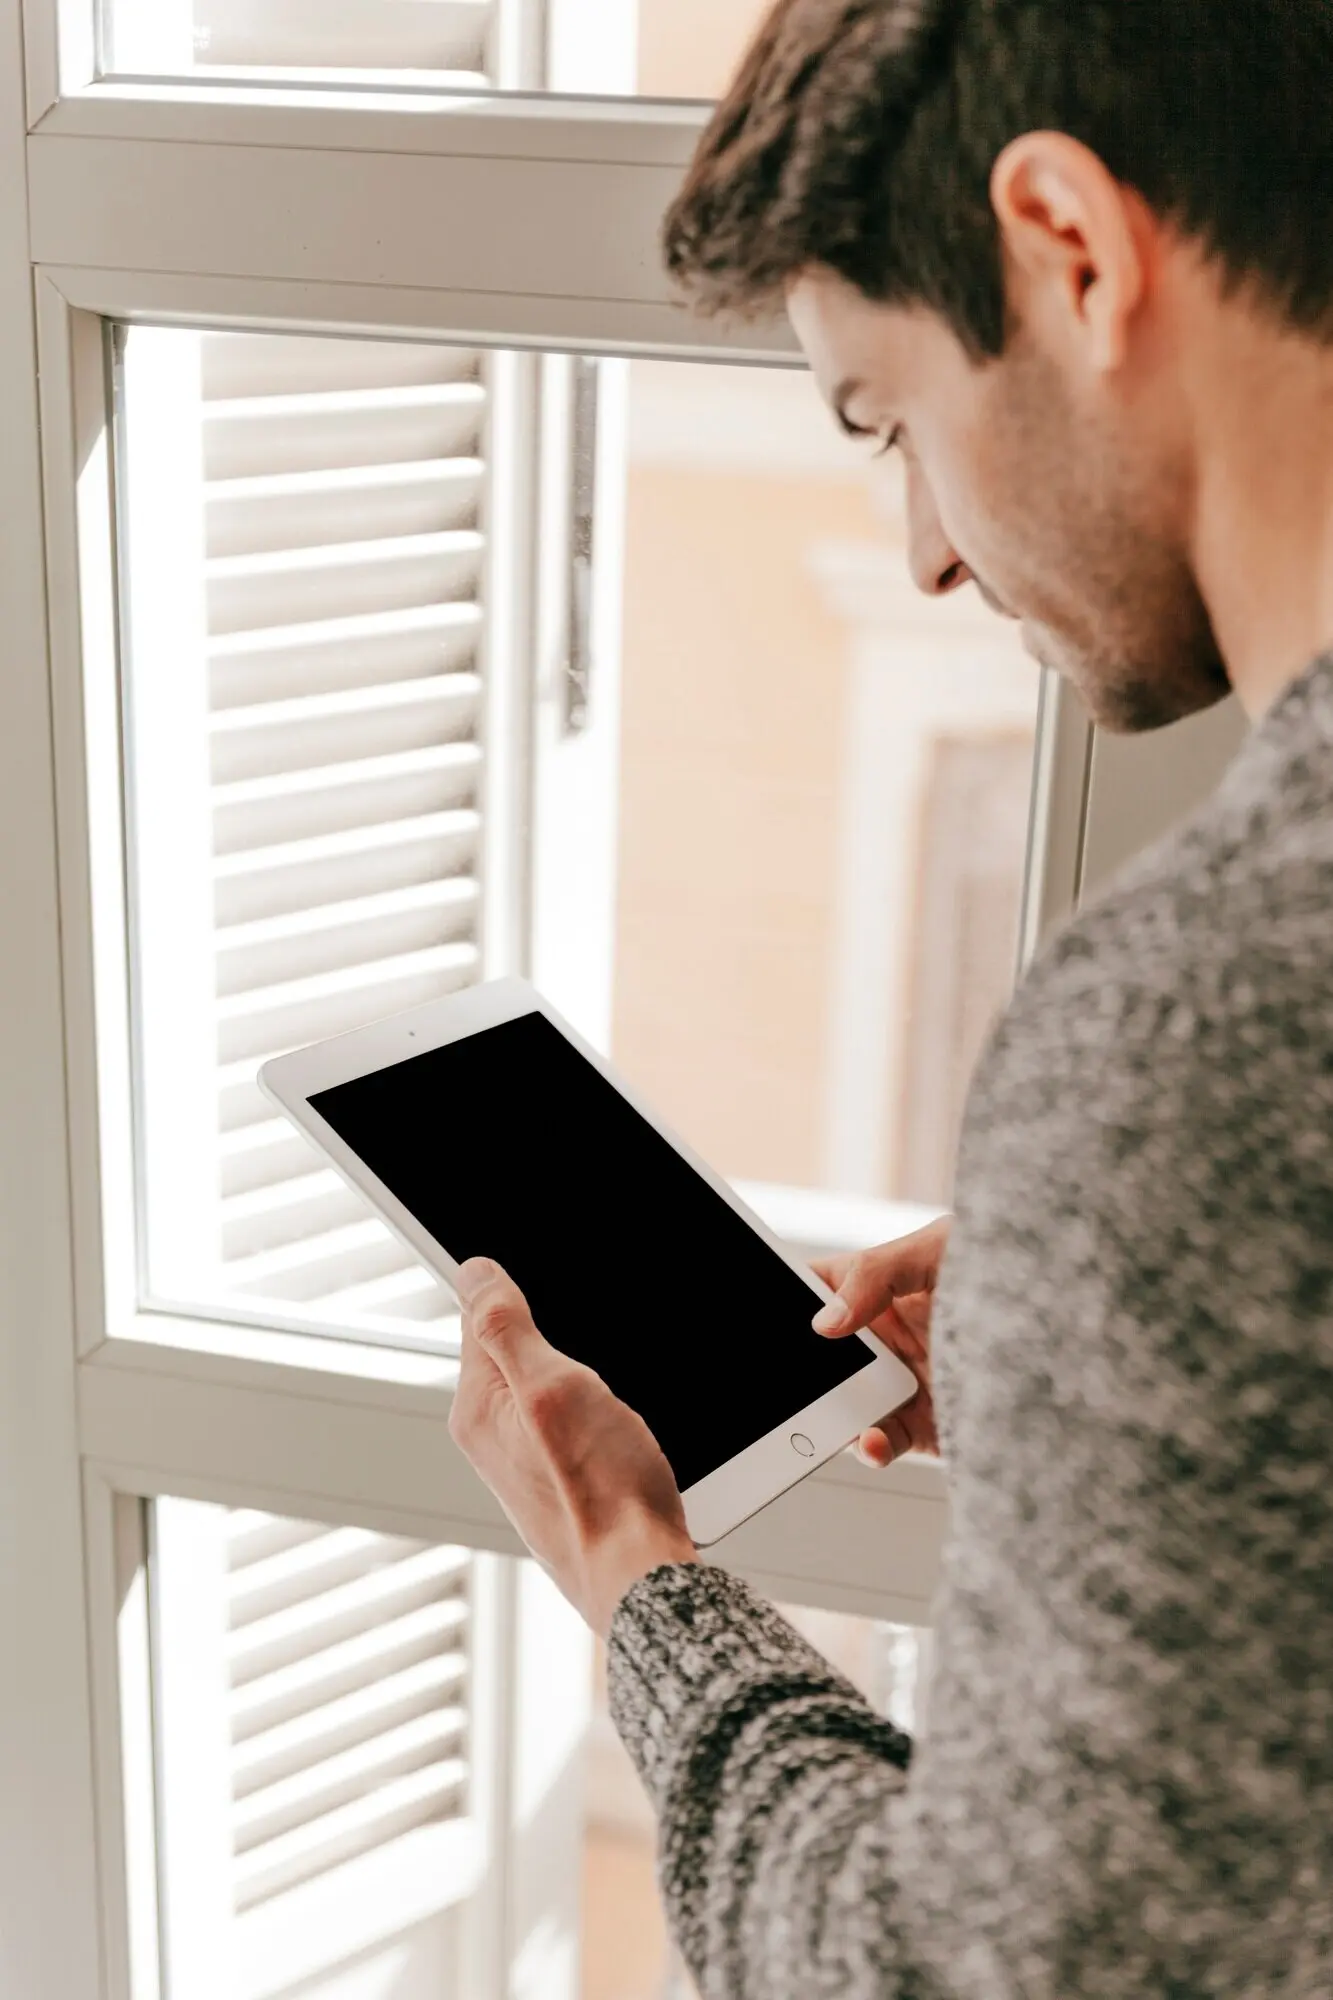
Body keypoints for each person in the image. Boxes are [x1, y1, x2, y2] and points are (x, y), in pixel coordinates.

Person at [449, 2, 1333, 1991]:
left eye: (885, 414)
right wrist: (1127, 1353)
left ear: (1070, 247)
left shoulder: (1193, 1042)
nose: (927, 549)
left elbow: (940, 1974)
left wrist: (634, 1575)